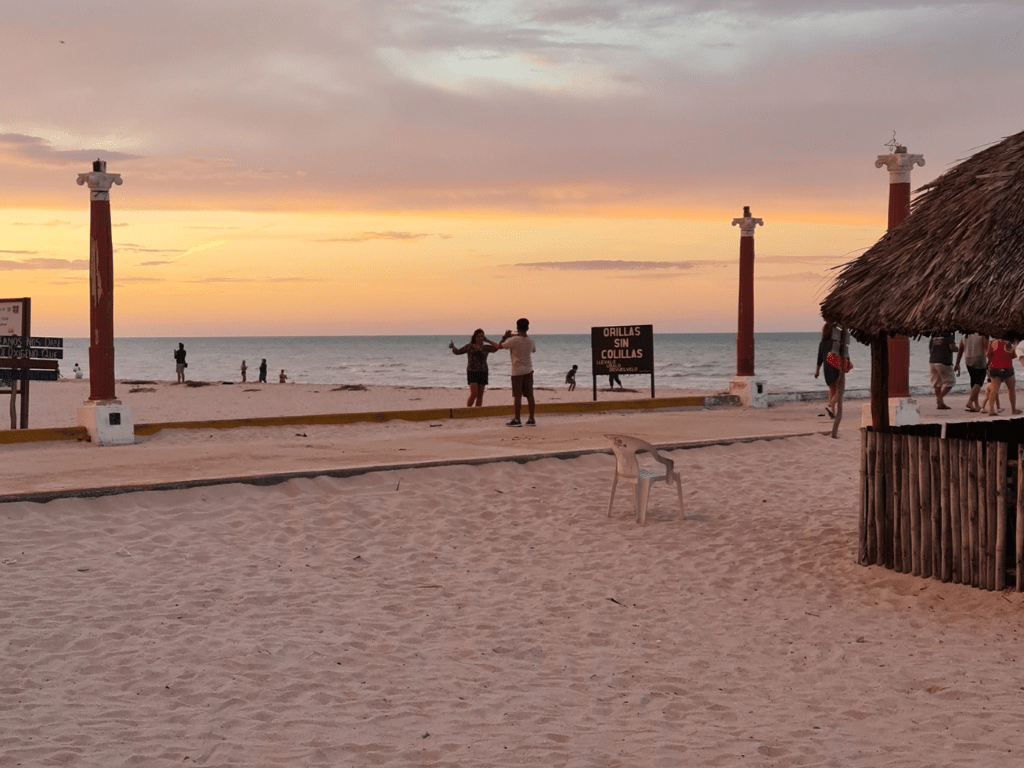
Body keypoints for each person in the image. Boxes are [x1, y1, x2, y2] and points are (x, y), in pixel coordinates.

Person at [497, 318, 536, 427]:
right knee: (530, 396)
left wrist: (505, 337)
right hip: (528, 370)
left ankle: (517, 419)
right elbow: (533, 350)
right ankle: (531, 418)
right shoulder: (531, 341)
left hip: (517, 372)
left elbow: (499, 346)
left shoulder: (513, 340)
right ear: (527, 328)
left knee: (517, 396)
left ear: (517, 328)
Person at [449, 329, 498, 407]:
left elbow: (496, 348)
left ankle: (477, 412)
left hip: (483, 371)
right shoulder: (469, 346)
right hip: (472, 372)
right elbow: (458, 352)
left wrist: (487, 340)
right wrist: (452, 347)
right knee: (474, 394)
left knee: (480, 396)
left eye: (482, 336)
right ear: (475, 337)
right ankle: (468, 410)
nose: (480, 338)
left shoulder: (485, 347)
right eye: (478, 336)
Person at [986, 338, 1021, 416]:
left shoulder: (992, 342)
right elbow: (1014, 355)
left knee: (994, 390)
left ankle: (991, 410)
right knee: (1011, 390)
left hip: (995, 368)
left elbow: (988, 355)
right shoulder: (1010, 344)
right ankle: (1013, 409)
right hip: (1007, 368)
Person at [955, 333, 988, 412]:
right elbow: (987, 347)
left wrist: (957, 363)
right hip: (979, 358)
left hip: (968, 360)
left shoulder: (964, 336)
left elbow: (960, 349)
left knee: (973, 381)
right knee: (979, 382)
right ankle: (970, 401)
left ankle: (976, 405)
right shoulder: (981, 334)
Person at [814, 323, 840, 418]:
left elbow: (819, 359)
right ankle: (830, 405)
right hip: (835, 368)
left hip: (826, 370)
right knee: (839, 391)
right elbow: (839, 355)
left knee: (832, 390)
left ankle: (832, 413)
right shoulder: (835, 342)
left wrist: (817, 372)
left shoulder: (822, 343)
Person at [928, 332, 957, 410]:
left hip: (933, 361)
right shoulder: (948, 335)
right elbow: (952, 347)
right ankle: (940, 398)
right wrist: (960, 349)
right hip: (944, 361)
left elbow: (930, 348)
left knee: (937, 383)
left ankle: (940, 404)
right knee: (951, 382)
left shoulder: (934, 335)